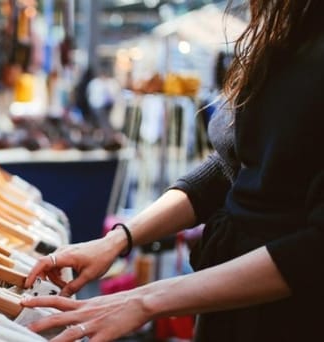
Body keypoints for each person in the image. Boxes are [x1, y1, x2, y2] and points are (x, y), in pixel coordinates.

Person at [21, 1, 324, 341]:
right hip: (229, 304)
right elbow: (235, 164)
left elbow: (315, 250)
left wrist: (145, 300)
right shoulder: (286, 28)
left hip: (289, 317)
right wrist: (119, 239)